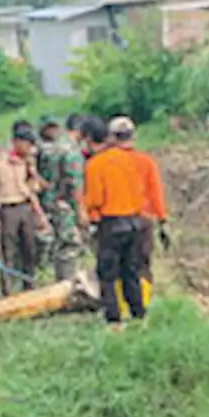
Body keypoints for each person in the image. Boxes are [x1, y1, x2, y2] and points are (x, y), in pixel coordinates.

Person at [81, 116, 147, 327]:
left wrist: (83, 205)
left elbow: (96, 198)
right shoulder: (129, 159)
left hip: (112, 224)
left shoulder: (94, 165)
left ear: (90, 140)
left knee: (107, 274)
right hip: (135, 222)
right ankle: (139, 315)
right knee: (131, 271)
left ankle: (114, 319)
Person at [108, 115, 168, 306]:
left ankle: (121, 307)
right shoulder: (146, 161)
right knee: (141, 264)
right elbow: (155, 191)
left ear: (112, 138)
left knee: (116, 265)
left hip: (115, 219)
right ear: (132, 136)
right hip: (143, 219)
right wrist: (162, 218)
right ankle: (142, 306)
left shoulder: (106, 162)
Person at [0, 125, 47, 295]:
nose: (29, 148)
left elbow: (33, 190)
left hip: (25, 206)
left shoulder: (27, 162)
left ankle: (29, 285)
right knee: (8, 251)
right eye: (26, 143)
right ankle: (8, 290)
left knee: (29, 249)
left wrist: (39, 214)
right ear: (16, 143)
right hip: (8, 208)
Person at [35, 115, 86, 281]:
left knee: (56, 244)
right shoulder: (70, 150)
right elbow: (74, 181)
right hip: (64, 204)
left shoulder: (46, 150)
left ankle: (57, 280)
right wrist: (80, 209)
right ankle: (66, 284)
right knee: (69, 245)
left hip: (49, 202)